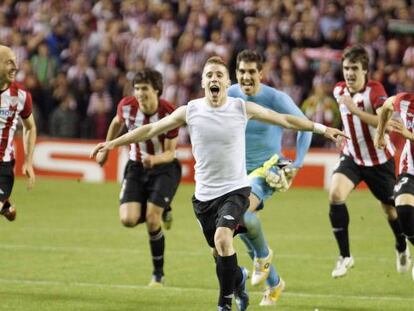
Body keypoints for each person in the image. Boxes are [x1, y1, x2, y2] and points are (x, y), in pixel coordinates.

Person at [90, 56, 346, 310]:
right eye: (209, 74)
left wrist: (324, 129)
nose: (214, 78)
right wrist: (112, 143)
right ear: (203, 82)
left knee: (224, 239)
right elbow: (149, 130)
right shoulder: (189, 111)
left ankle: (224, 304)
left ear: (227, 82)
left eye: (219, 75)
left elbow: (286, 120)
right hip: (204, 198)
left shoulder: (241, 108)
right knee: (219, 253)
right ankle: (240, 279)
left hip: (235, 191)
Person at [227, 49, 312, 306]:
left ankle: (263, 257)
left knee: (240, 216)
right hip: (236, 173)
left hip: (267, 171)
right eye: (242, 71)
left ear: (261, 73)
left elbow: (305, 127)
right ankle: (274, 283)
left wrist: (295, 165)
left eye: (252, 71)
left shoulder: (275, 98)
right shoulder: (229, 94)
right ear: (236, 73)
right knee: (241, 227)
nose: (246, 76)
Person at [94, 68, 182, 287]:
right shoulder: (126, 106)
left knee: (153, 219)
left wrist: (155, 159)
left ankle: (158, 275)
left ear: (157, 91)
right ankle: (160, 204)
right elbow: (116, 122)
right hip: (135, 167)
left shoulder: (169, 113)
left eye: (145, 89)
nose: (140, 94)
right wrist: (106, 148)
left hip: (164, 167)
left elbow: (171, 152)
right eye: (137, 89)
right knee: (128, 220)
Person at [328, 45, 408, 278]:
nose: (349, 73)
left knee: (391, 211)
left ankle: (401, 246)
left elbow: (384, 120)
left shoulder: (375, 91)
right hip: (352, 157)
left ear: (365, 72)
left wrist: (355, 111)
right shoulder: (338, 90)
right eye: (346, 68)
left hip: (380, 161)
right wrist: (342, 135)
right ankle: (345, 256)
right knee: (335, 195)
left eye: (354, 68)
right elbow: (347, 120)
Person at [375, 93, 414, 280]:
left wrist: (410, 136)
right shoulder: (406, 100)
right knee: (403, 207)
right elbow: (386, 106)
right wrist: (379, 133)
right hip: (410, 169)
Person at [0, 45, 36, 221]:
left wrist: (28, 161)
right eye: (9, 62)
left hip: (3, 166)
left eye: (15, 61)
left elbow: (30, 127)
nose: (15, 66)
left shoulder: (20, 95)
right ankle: (5, 205)